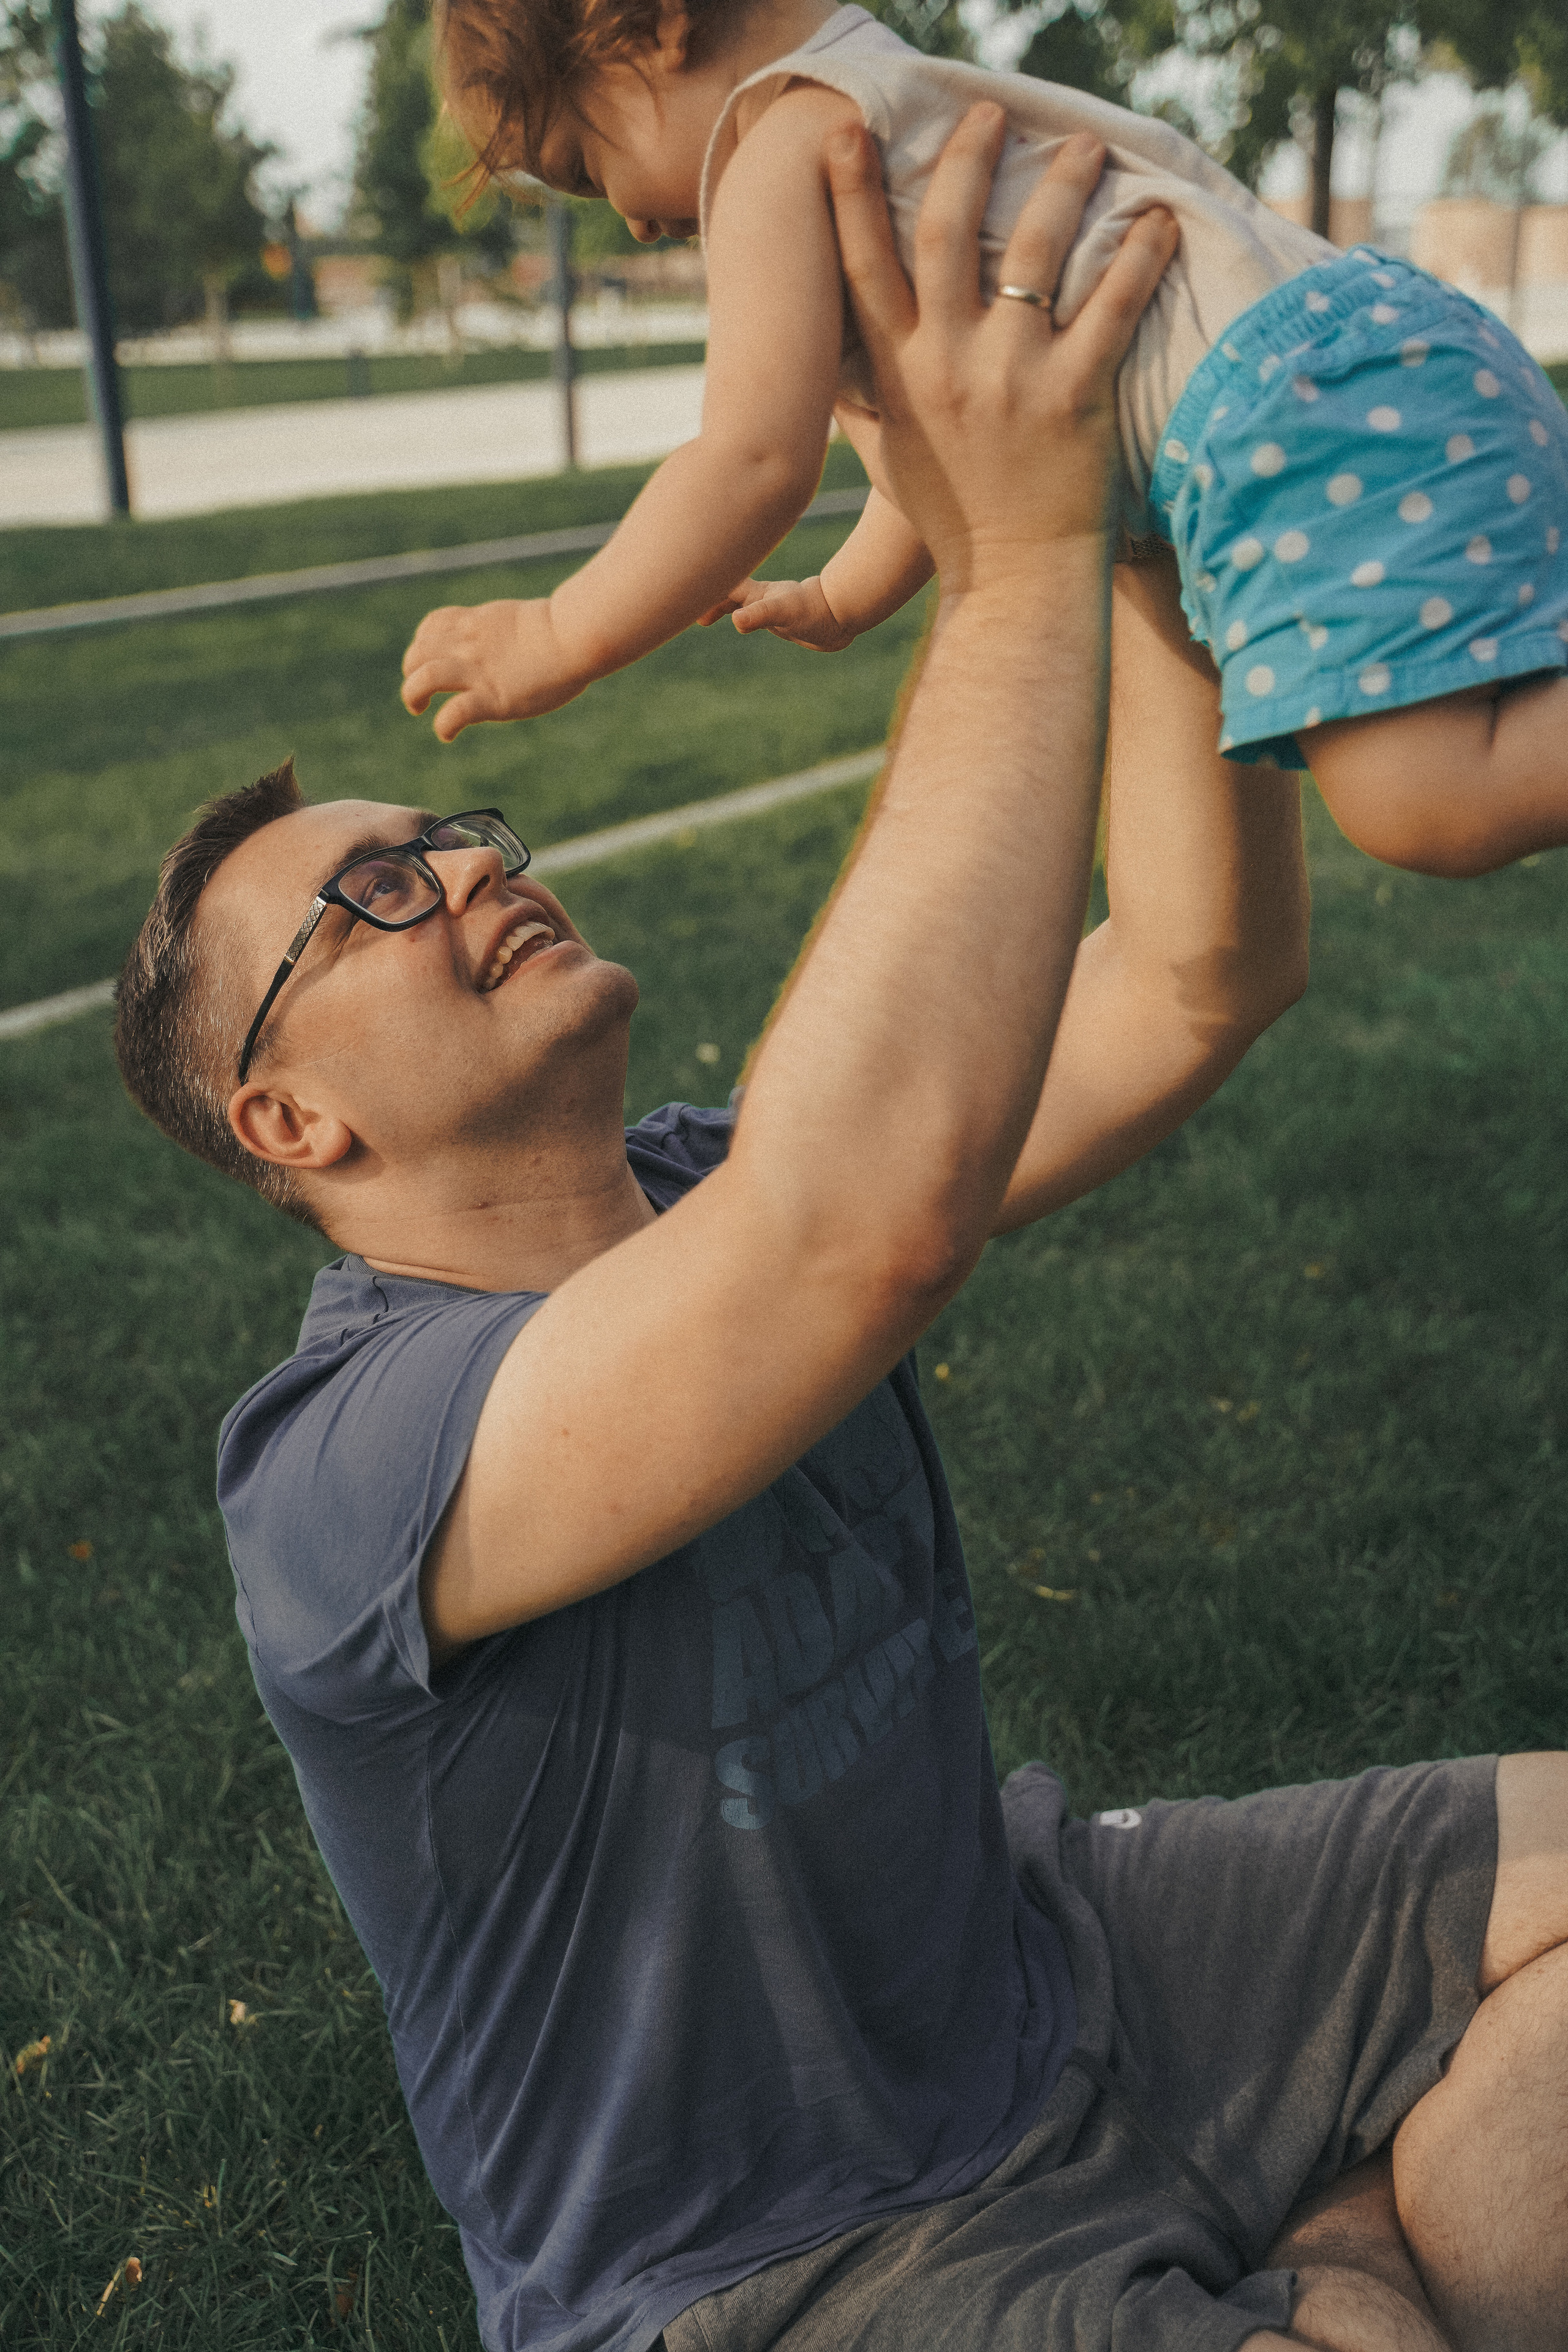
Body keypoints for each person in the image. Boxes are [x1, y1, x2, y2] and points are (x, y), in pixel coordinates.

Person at [113, 119, 1567, 2352]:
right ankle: (1347, 2251)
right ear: (289, 1118)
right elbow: (850, 1237)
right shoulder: (342, 1471)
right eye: (376, 895)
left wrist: (1153, 507)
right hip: (778, 2269)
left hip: (1057, 1968)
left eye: (462, 830)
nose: (477, 867)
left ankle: (1337, 2256)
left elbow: (1194, 978)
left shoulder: (703, 1185)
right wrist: (1015, 549)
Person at [402, 0, 1568, 888]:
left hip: (1282, 413)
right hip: (1379, 338)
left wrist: (561, 633)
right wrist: (847, 594)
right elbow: (939, 442)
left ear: (648, 24)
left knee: (1424, 801)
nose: (632, 217)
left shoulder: (776, 149)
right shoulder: (904, 98)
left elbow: (748, 461)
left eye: (588, 165)